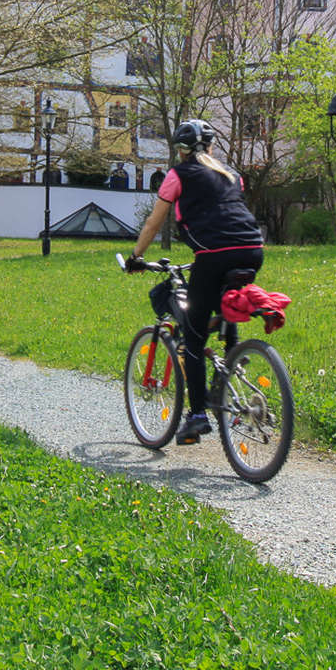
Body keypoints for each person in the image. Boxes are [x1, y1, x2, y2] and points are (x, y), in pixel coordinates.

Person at [124, 119, 263, 444]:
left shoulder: (178, 175)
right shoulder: (232, 175)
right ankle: (232, 355)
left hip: (213, 254)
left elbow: (154, 222)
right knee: (227, 303)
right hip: (252, 250)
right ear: (212, 147)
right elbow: (229, 212)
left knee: (195, 339)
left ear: (181, 151)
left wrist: (135, 257)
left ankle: (198, 415)